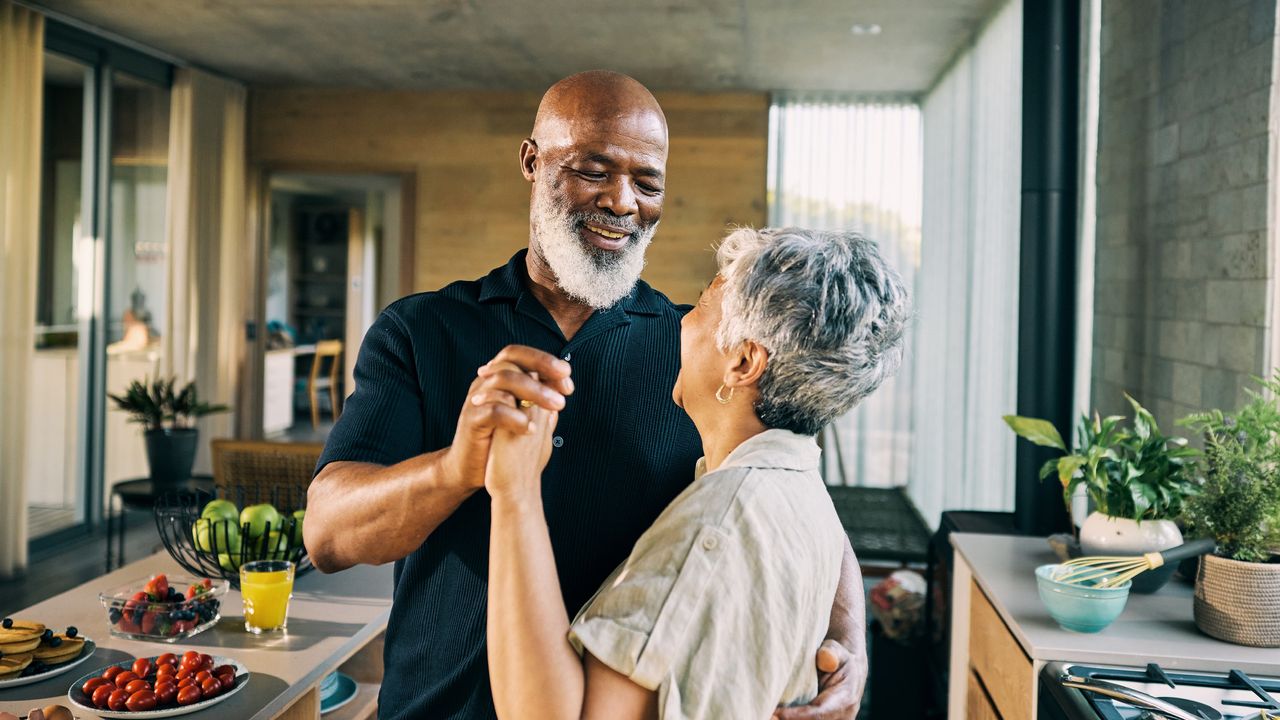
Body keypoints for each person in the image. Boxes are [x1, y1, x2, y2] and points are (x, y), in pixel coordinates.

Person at [305, 70, 868, 719]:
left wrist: (848, 642)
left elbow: (793, 497)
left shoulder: (699, 352)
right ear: (531, 160)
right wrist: (457, 468)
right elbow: (327, 535)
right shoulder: (421, 329)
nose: (623, 201)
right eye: (593, 171)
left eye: (647, 181)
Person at [485, 226, 909, 719]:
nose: (685, 320)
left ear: (744, 362)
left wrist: (514, 491)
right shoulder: (795, 488)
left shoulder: (715, 523)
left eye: (705, 304)